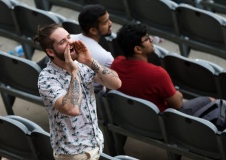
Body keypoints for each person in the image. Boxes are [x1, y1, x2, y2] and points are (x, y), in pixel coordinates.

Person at [33, 23, 121, 160]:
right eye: (63, 42)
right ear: (50, 52)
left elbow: (116, 83)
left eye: (69, 37)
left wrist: (90, 61)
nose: (70, 43)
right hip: (72, 154)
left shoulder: (83, 65)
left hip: (95, 144)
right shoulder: (46, 79)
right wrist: (74, 72)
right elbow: (72, 109)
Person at [110, 22, 214, 112]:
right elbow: (177, 104)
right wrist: (179, 94)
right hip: (162, 124)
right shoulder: (157, 73)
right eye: (147, 39)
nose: (151, 39)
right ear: (138, 49)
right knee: (212, 101)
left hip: (133, 118)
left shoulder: (116, 64)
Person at [71, 4, 114, 93]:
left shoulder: (68, 40)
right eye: (105, 22)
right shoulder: (106, 57)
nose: (110, 23)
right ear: (93, 30)